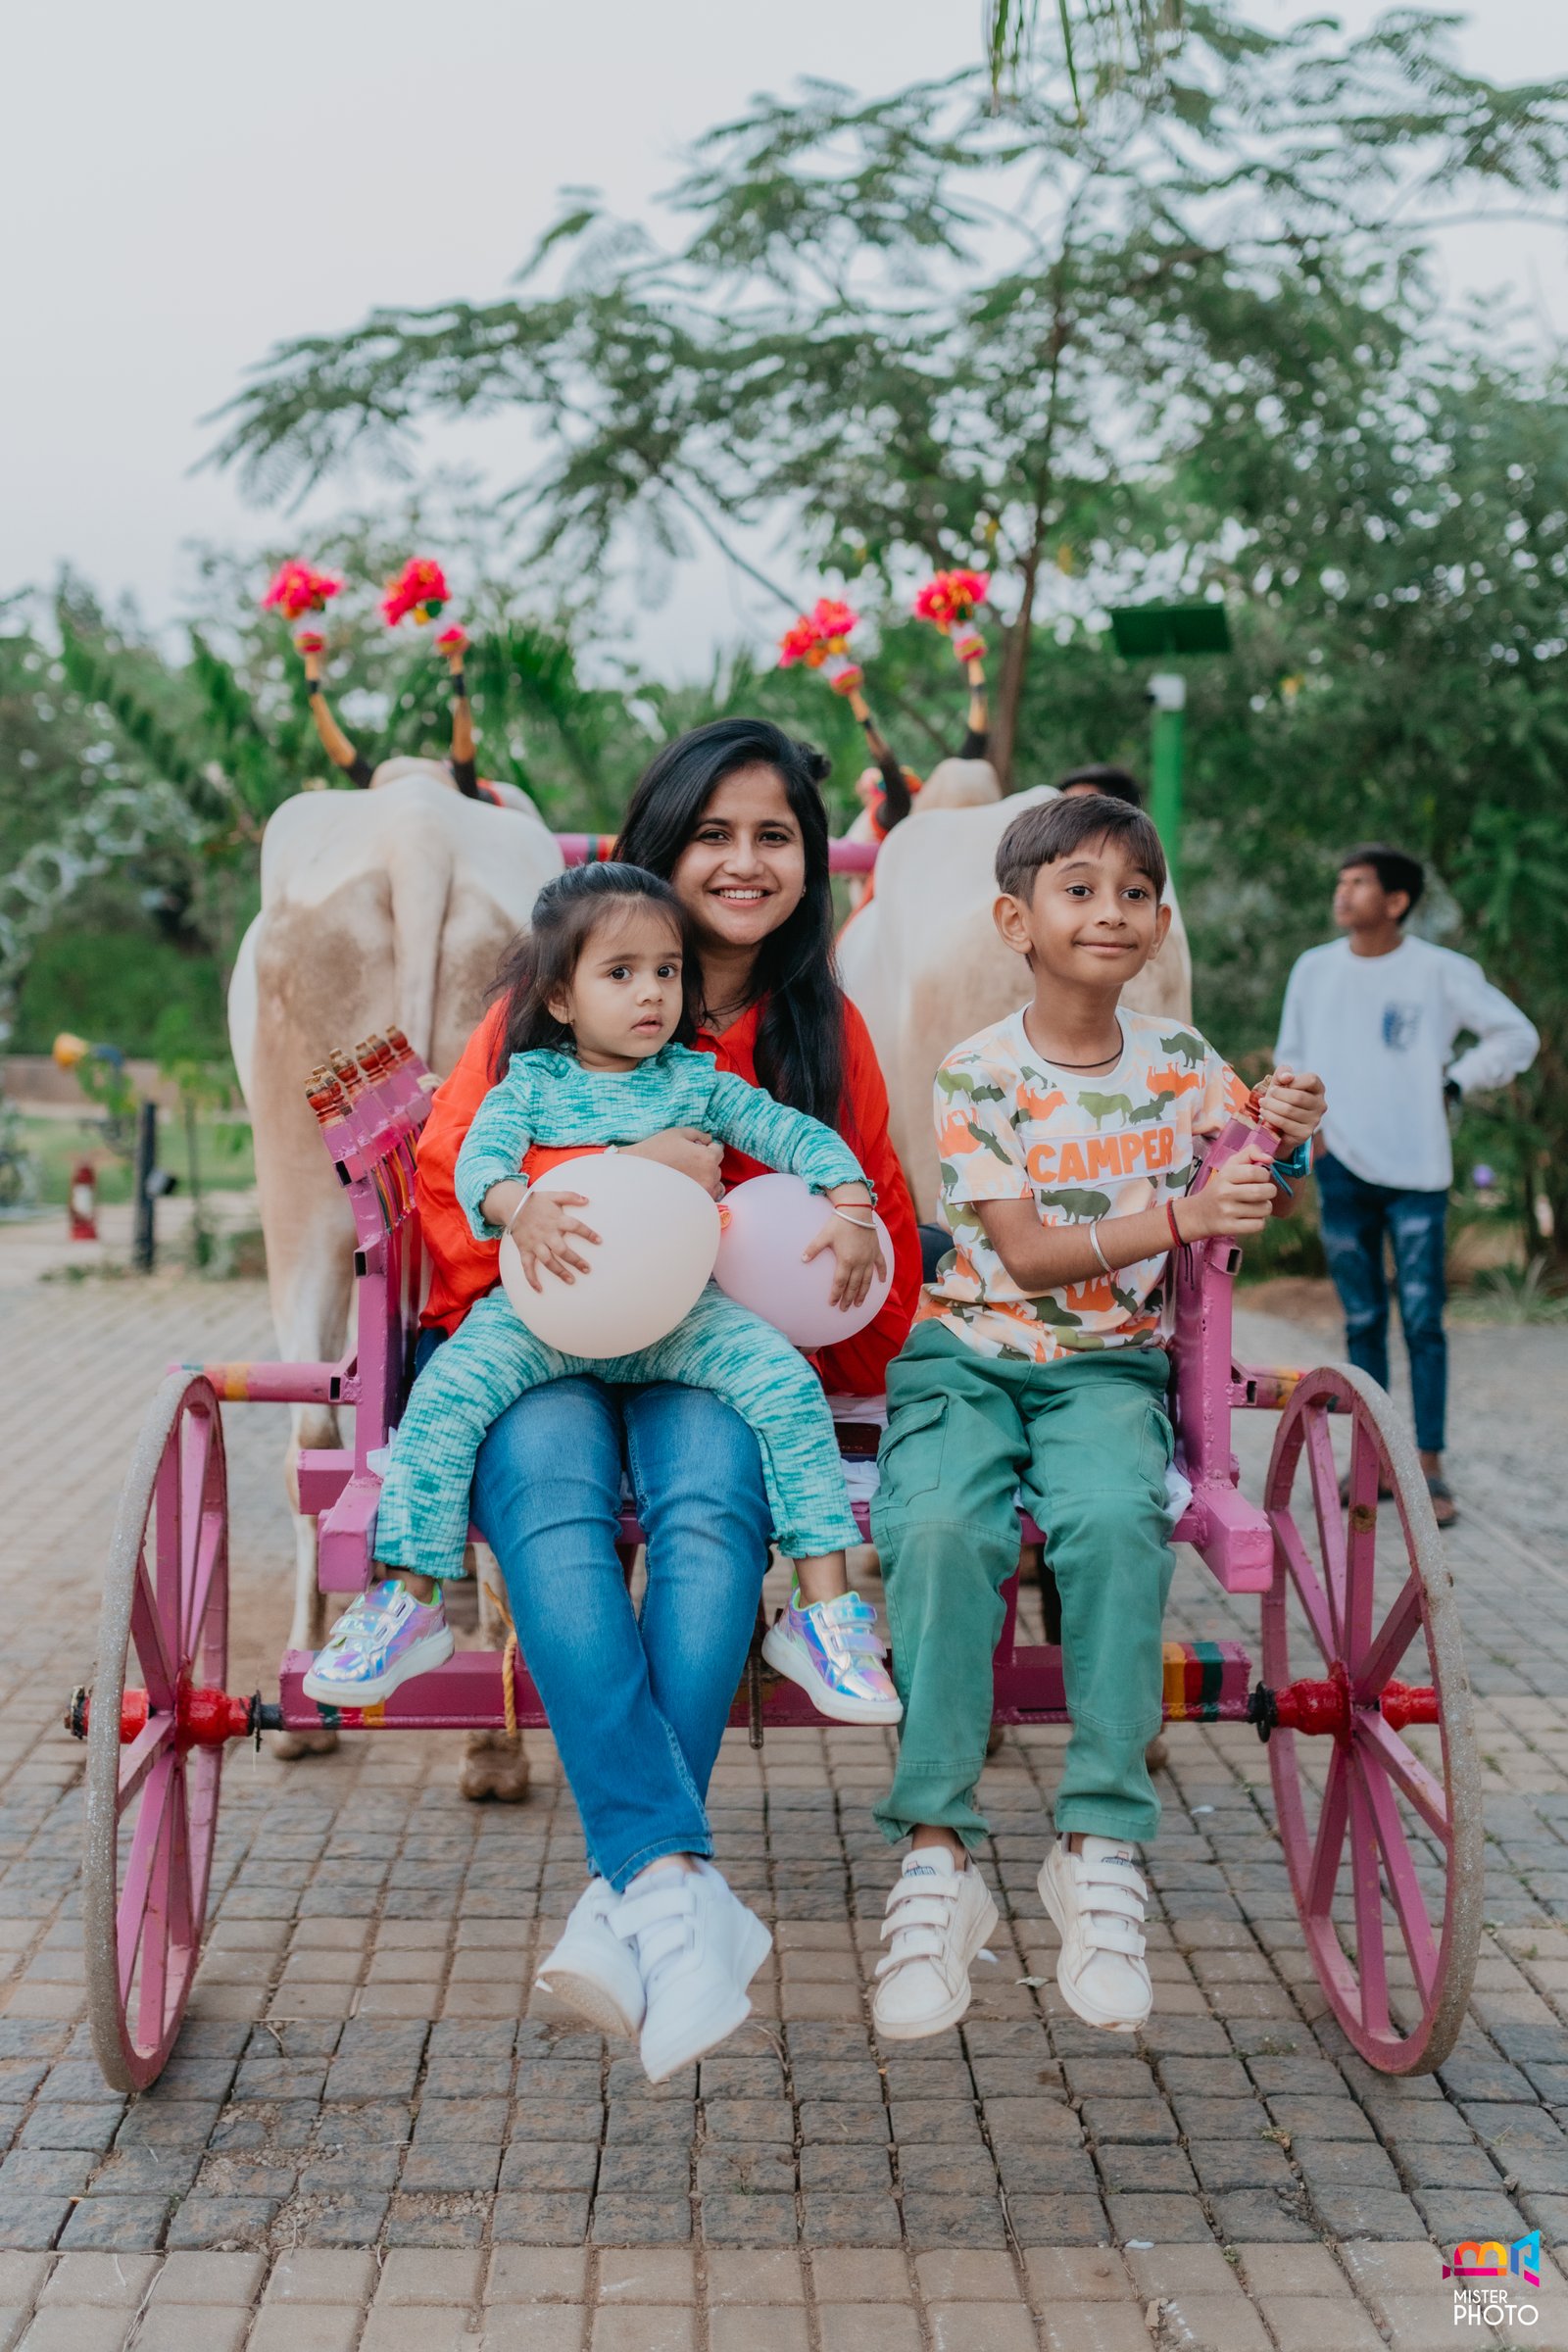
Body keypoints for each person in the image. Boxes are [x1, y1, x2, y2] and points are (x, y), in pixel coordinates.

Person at [382, 719, 920, 2082]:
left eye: (775, 836)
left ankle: (635, 1888)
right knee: (552, 1506)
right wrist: (618, 1181)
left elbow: (864, 1219)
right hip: (543, 1335)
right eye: (712, 835)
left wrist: (756, 1215)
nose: (743, 863)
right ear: (657, 847)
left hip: (713, 1350)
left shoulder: (820, 1026)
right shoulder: (540, 1007)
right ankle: (675, 1893)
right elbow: (456, 1173)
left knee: (709, 1510)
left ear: (813, 860)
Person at [868, 793, 1325, 2039]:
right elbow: (1016, 1255)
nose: (1108, 912)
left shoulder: (1181, 1065)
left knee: (1118, 1521)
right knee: (939, 1530)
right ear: (1017, 919)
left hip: (1109, 1371)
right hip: (966, 1354)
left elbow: (1250, 1186)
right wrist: (1181, 1216)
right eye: (1078, 889)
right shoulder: (977, 1073)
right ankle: (936, 1855)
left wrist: (1282, 1139)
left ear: (1158, 921)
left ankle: (1098, 1846)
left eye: (1132, 893)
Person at [305, 859, 901, 1733]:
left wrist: (850, 1202)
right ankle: (410, 1598)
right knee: (445, 1400)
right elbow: (477, 1163)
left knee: (784, 1383)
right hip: (548, 1314)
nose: (651, 993)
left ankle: (822, 1613)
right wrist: (520, 1206)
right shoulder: (534, 1085)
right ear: (559, 999)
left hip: (678, 1315)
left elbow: (790, 1131)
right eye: (619, 974)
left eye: (666, 971)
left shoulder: (697, 1080)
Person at [1276, 843, 1539, 1529]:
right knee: (1362, 1320)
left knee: (1423, 1322)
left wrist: (1455, 1080)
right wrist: (1311, 1138)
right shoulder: (1315, 969)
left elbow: (1516, 1036)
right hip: (1341, 1163)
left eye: (1358, 883)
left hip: (1419, 1168)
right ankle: (1372, 1464)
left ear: (1395, 902)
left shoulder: (1442, 972)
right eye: (1341, 881)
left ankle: (1426, 1466)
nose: (1343, 893)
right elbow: (1291, 1056)